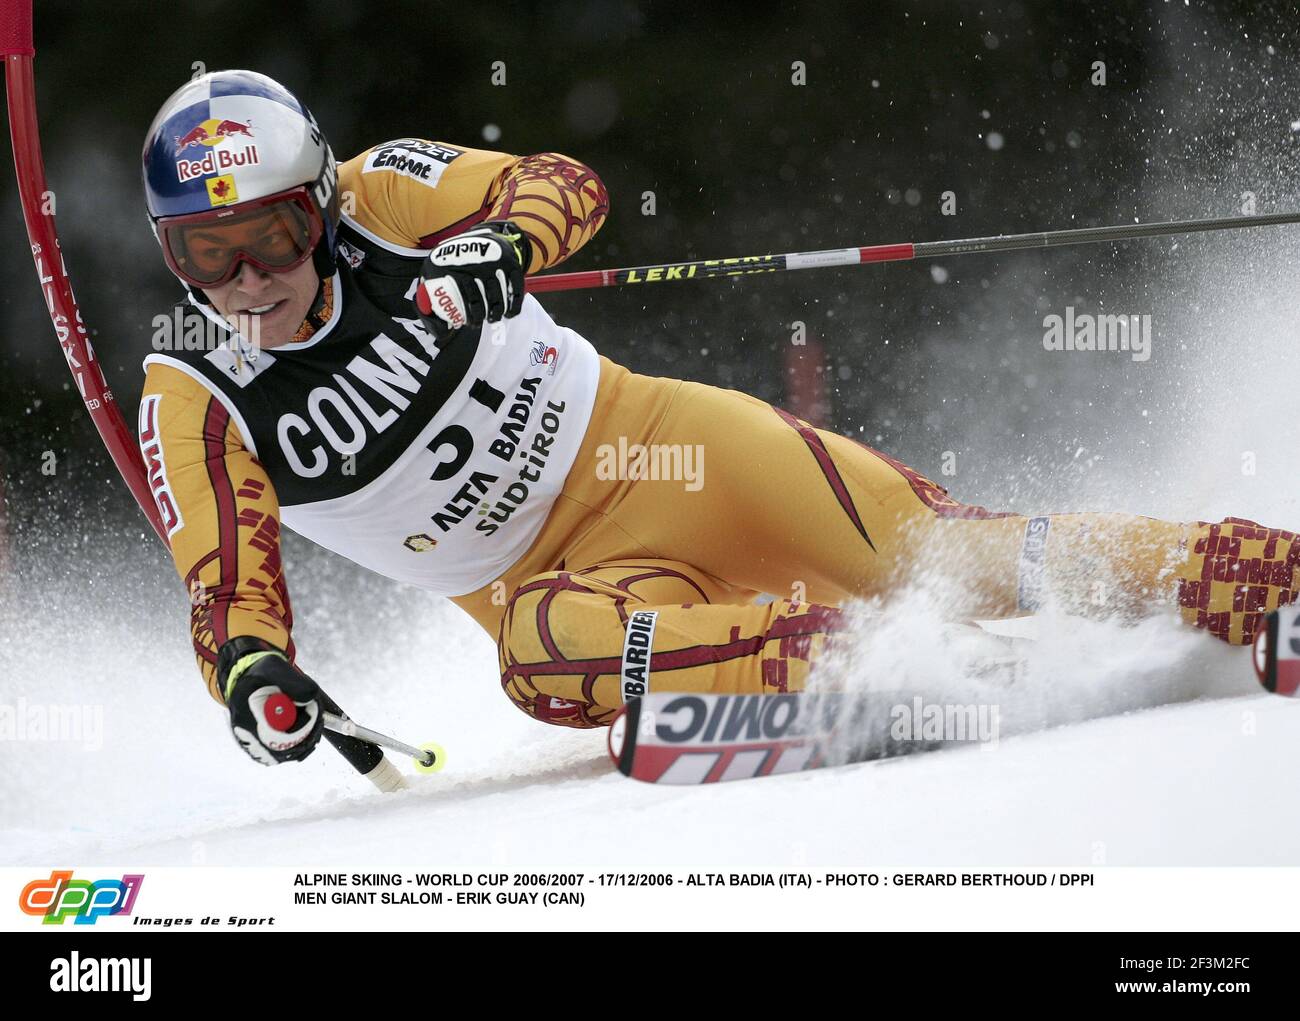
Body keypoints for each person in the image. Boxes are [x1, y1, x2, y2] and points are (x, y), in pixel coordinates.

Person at [140, 70, 1299, 767]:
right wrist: (253, 677)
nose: (247, 281)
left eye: (273, 239)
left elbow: (556, 184)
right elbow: (225, 578)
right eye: (206, 254)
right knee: (538, 659)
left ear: (322, 207)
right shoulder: (195, 387)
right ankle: (842, 668)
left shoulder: (385, 195)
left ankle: (1258, 579)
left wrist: (504, 241)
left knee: (953, 553)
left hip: (678, 454)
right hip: (566, 589)